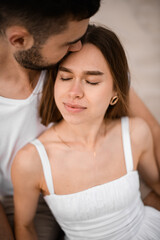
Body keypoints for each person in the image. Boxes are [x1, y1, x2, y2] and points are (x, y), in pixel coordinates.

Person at [12, 24, 160, 240]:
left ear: (115, 94)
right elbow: (24, 227)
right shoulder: (31, 161)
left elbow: (156, 185)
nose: (74, 93)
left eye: (91, 81)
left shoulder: (135, 134)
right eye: (65, 78)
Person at [0, 1, 101, 239]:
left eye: (81, 35)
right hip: (24, 200)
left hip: (92, 181)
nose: (78, 46)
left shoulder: (82, 51)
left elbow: (147, 127)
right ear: (20, 40)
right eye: (67, 43)